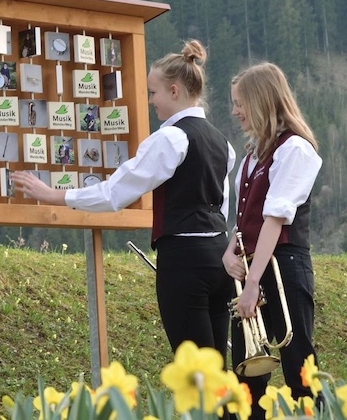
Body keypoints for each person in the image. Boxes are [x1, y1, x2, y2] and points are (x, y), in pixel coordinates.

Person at [13, 40, 236, 360]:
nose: (150, 101)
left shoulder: (171, 139)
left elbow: (115, 193)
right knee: (217, 369)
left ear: (174, 91)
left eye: (153, 92)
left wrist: (54, 195)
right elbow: (221, 205)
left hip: (185, 259)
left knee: (197, 372)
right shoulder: (222, 142)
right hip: (219, 257)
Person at [223, 62, 322, 418]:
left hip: (284, 270)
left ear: (261, 100)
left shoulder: (295, 149)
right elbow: (242, 218)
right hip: (252, 268)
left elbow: (275, 219)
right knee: (246, 379)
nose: (234, 111)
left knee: (300, 371)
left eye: (239, 102)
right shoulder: (252, 154)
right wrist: (228, 254)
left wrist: (252, 285)